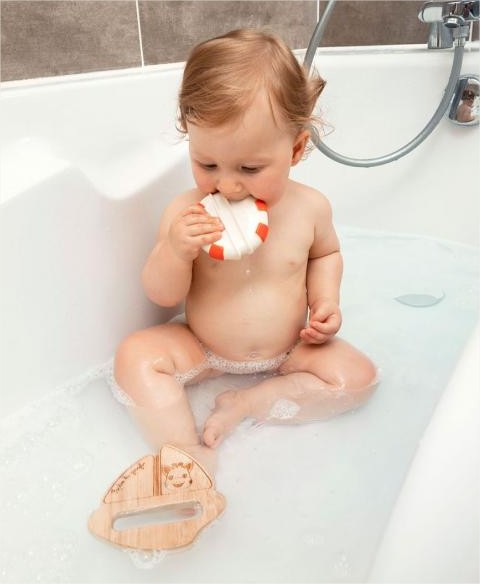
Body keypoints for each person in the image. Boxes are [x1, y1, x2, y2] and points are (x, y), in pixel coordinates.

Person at [113, 28, 378, 470]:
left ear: (295, 149)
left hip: (291, 348)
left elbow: (325, 255)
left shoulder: (310, 208)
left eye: (250, 168)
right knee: (133, 356)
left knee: (359, 378)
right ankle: (187, 452)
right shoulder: (185, 213)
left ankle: (251, 402)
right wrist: (176, 250)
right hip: (204, 349)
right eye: (207, 164)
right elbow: (161, 295)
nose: (228, 185)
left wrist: (326, 302)